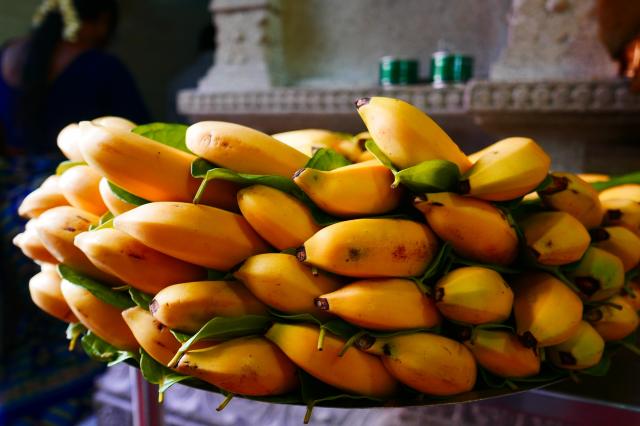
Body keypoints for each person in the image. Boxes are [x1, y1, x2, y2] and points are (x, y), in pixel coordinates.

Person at [0, 1, 149, 424]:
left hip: (7, 203)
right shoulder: (100, 67)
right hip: (65, 201)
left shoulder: (6, 55)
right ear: (96, 21)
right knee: (81, 312)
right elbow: (138, 145)